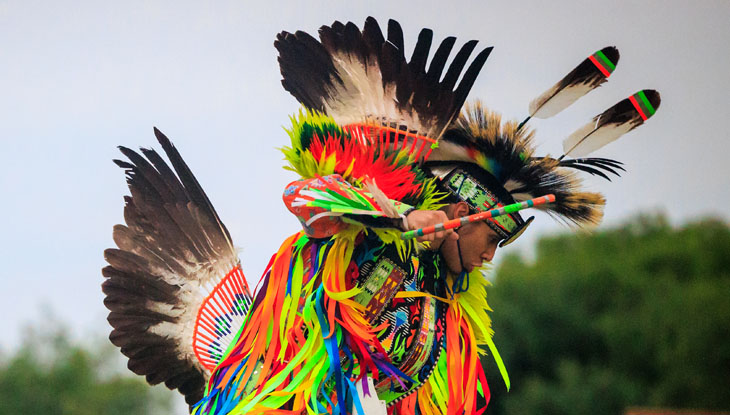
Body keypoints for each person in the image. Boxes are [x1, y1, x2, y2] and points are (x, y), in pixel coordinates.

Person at [102, 16, 660, 415]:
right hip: (280, 392)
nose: (492, 254)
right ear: (461, 213)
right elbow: (305, 197)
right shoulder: (364, 229)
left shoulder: (448, 306)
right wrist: (395, 217)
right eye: (491, 236)